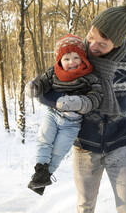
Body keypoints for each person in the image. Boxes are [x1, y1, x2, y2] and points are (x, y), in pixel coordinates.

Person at [43, 1, 126, 212]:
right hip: (85, 146)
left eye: (102, 44)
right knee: (85, 206)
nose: (93, 46)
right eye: (91, 36)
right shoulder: (77, 55)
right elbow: (45, 88)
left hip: (121, 145)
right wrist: (61, 102)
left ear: (118, 42)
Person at [25, 34, 102, 196]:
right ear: (59, 60)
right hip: (53, 114)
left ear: (82, 58)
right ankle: (40, 171)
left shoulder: (89, 77)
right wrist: (34, 87)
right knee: (44, 140)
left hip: (72, 122)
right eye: (66, 59)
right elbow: (42, 82)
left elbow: (96, 97)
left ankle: (46, 176)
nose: (72, 62)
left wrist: (80, 102)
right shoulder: (54, 72)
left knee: (60, 149)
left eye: (76, 57)